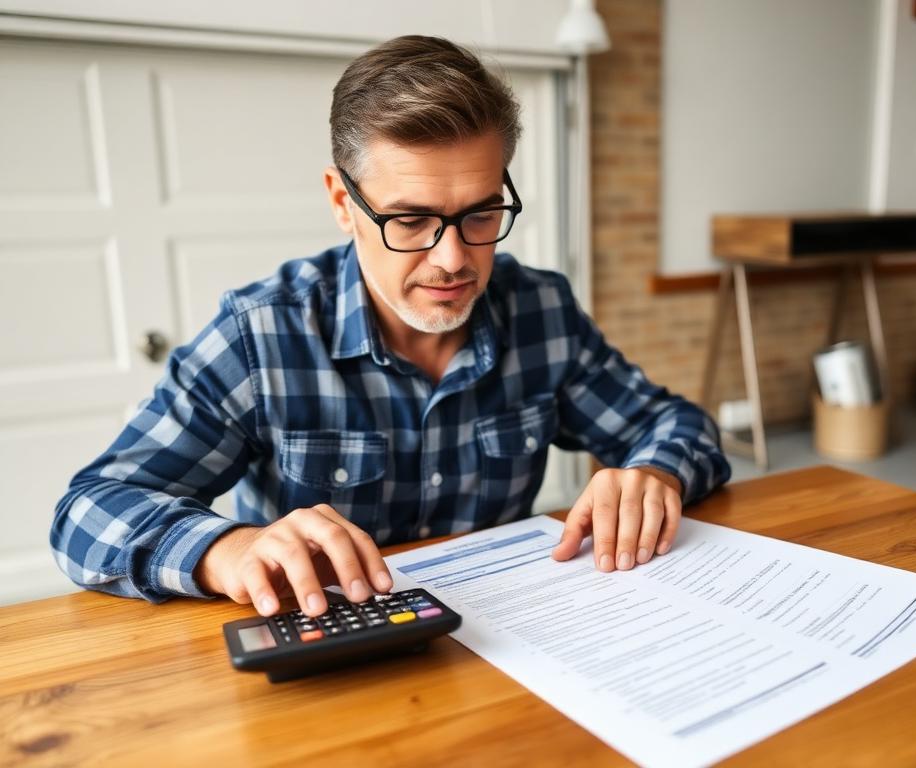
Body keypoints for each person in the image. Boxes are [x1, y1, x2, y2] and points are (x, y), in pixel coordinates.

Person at [52, 35, 730, 619]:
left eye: (482, 214)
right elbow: (87, 511)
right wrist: (224, 551)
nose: (454, 259)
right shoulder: (261, 336)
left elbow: (680, 426)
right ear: (343, 203)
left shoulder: (540, 311)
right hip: (328, 662)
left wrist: (653, 474)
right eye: (410, 221)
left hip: (512, 645)